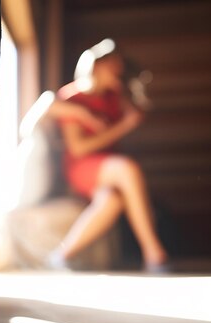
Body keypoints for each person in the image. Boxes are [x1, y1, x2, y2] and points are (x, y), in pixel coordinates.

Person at [47, 39, 169, 272]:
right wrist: (124, 126)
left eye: (119, 66)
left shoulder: (114, 96)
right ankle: (154, 253)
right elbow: (79, 149)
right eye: (112, 65)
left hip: (107, 167)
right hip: (81, 167)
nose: (117, 70)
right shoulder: (72, 97)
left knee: (112, 200)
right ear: (95, 66)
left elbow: (137, 106)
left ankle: (60, 256)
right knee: (127, 168)